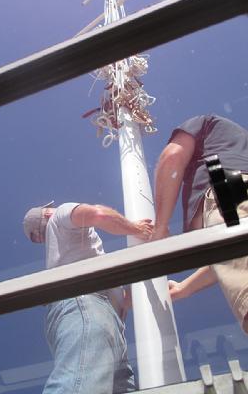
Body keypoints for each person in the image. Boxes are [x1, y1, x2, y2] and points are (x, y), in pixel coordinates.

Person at [23, 201, 153, 393]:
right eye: (49, 208)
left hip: (100, 318)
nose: (54, 207)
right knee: (79, 386)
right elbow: (98, 214)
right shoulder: (60, 216)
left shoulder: (66, 252)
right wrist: (136, 229)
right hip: (86, 307)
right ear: (47, 214)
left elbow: (123, 300)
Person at [153, 114, 248, 333]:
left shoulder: (207, 124)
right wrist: (184, 288)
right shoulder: (237, 147)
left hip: (229, 186)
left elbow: (172, 157)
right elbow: (234, 256)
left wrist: (160, 229)